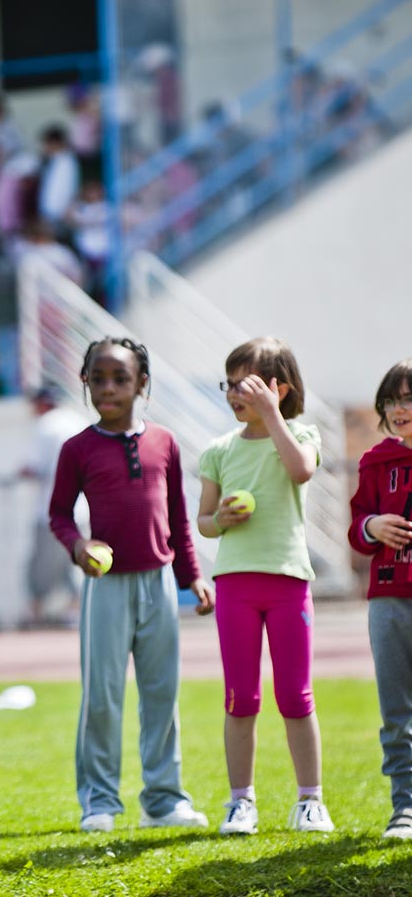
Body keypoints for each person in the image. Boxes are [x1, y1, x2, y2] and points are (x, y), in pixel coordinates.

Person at [50, 337, 214, 833]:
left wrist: (193, 577)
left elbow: (180, 519)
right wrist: (78, 547)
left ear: (142, 383)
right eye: (97, 378)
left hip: (159, 583)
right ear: (84, 382)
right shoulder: (76, 448)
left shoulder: (164, 442)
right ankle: (99, 801)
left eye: (120, 378)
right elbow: (58, 514)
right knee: (102, 696)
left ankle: (164, 800)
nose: (108, 388)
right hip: (106, 589)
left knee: (161, 692)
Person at [197, 337, 334, 835]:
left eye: (247, 384)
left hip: (288, 583)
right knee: (241, 697)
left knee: (296, 696)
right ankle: (241, 802)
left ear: (280, 389)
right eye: (229, 383)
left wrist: (273, 416)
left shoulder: (300, 433)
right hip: (235, 585)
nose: (236, 393)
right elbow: (204, 522)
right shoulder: (218, 451)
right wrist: (221, 518)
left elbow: (301, 470)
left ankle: (310, 800)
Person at [348, 359, 412, 840]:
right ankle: (404, 809)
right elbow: (356, 525)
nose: (399, 408)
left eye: (409, 399)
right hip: (388, 598)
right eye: (391, 400)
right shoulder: (375, 461)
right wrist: (373, 526)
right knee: (396, 712)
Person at [19, 386, 89, 628]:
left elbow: (34, 467)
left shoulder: (46, 425)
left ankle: (35, 612)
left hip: (51, 509)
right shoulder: (79, 421)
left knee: (41, 563)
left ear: (42, 403)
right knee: (77, 559)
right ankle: (76, 609)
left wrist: (22, 472)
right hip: (81, 507)